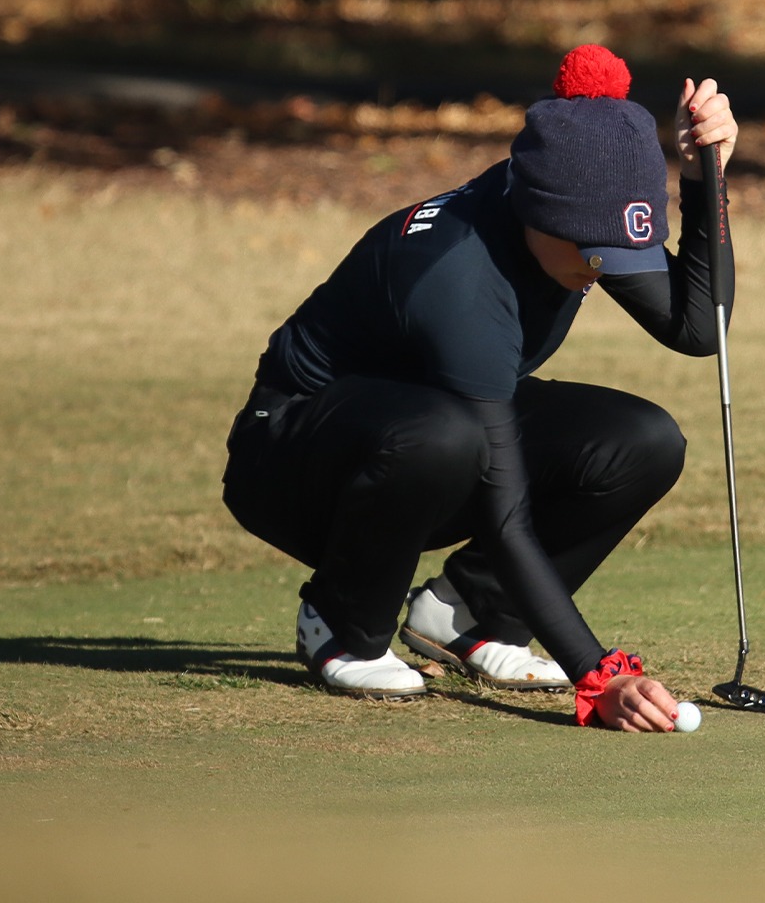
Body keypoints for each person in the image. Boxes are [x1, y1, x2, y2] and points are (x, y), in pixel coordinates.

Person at [221, 45, 738, 732]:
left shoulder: (582, 215)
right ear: (540, 215)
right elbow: (504, 512)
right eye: (593, 256)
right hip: (297, 461)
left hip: (438, 435)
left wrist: (707, 176)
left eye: (619, 256)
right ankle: (342, 624)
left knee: (642, 441)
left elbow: (700, 327)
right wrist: (599, 673)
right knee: (448, 436)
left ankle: (468, 618)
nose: (603, 271)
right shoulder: (459, 278)